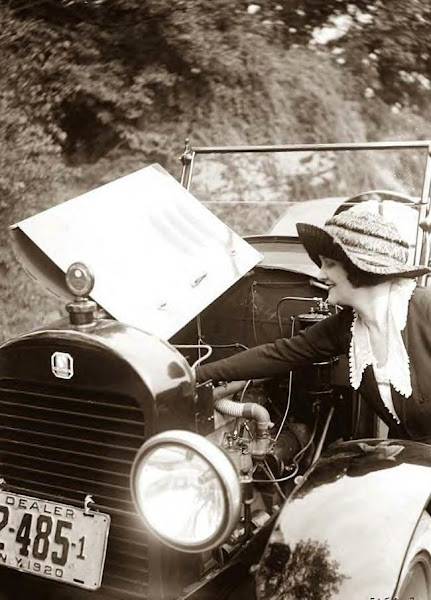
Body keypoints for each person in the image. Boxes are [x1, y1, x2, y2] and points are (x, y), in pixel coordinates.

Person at [195, 209, 431, 441]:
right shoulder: (347, 327)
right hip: (410, 462)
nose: (320, 274)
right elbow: (278, 354)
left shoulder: (425, 309)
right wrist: (194, 375)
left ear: (360, 267)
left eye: (329, 264)